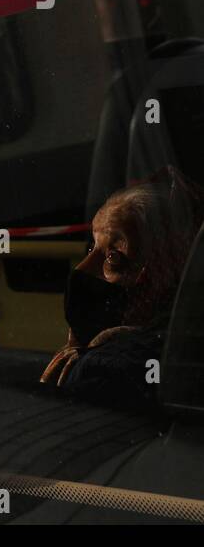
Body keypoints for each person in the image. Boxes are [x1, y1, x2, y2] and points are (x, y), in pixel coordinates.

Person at [41, 167, 204, 408]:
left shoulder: (104, 370)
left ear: (163, 275)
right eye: (91, 249)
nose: (82, 270)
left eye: (113, 257)